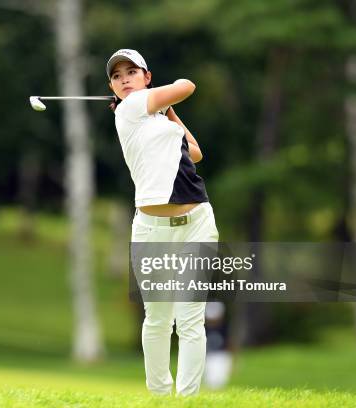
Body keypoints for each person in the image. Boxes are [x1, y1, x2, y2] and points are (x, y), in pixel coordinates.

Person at [106, 49, 220, 396]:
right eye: (116, 76)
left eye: (131, 72)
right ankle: (159, 397)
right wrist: (159, 101)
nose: (124, 79)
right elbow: (186, 85)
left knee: (190, 320)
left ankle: (187, 400)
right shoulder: (128, 110)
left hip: (197, 221)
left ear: (147, 76)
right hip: (151, 228)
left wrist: (166, 110)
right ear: (112, 87)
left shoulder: (154, 116)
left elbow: (195, 152)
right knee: (157, 319)